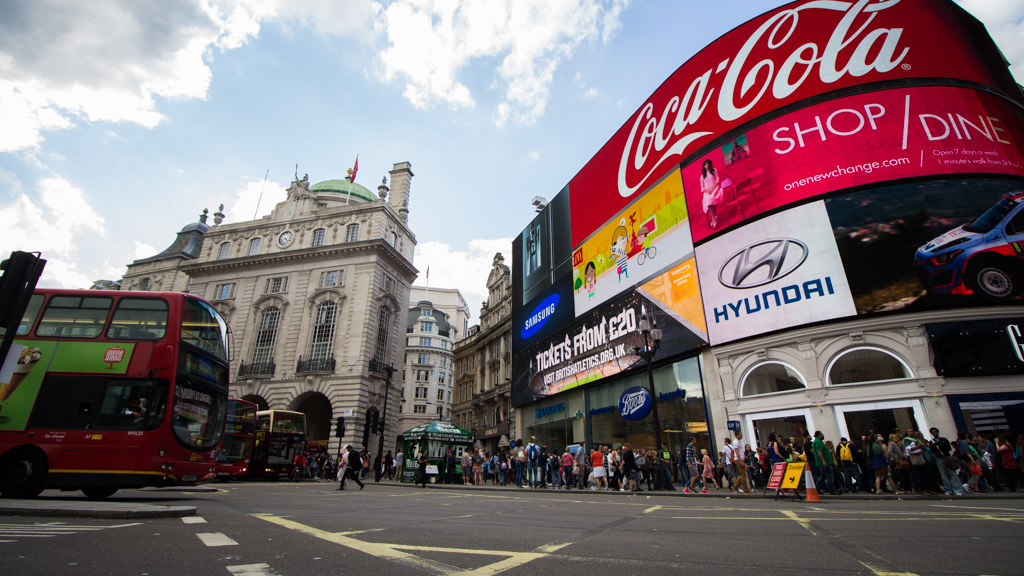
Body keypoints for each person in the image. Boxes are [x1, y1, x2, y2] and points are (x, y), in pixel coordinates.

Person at [929, 427, 963, 496]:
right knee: (943, 475)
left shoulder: (944, 440)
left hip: (946, 457)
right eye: (933, 432)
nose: (935, 433)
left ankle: (957, 489)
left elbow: (949, 448)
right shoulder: (931, 442)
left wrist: (941, 446)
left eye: (936, 431)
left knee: (952, 474)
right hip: (938, 458)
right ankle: (948, 489)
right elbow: (932, 451)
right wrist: (933, 446)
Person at [700, 159, 723, 228]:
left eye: (708, 164)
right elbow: (702, 188)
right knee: (707, 200)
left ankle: (713, 218)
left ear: (709, 164)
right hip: (707, 191)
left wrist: (713, 189)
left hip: (715, 188)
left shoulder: (714, 170)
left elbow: (717, 179)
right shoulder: (702, 177)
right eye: (705, 164)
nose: (706, 165)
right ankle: (714, 217)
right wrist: (708, 191)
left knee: (712, 198)